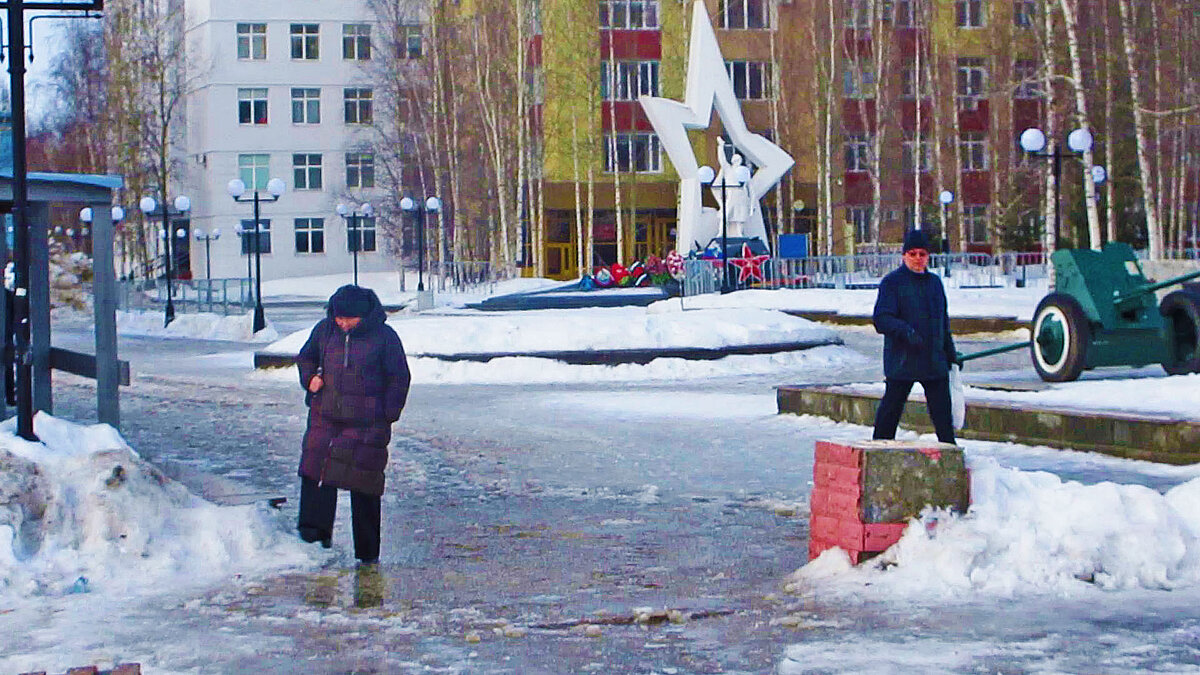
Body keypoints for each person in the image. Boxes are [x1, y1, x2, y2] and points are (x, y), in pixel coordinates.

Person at [295, 284, 411, 564]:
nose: (341, 322)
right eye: (337, 316)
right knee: (316, 476)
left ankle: (367, 555)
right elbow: (306, 356)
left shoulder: (384, 337)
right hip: (325, 420)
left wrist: (386, 414)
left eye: (347, 317)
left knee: (365, 487)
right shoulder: (325, 331)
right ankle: (314, 544)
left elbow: (399, 378)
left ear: (364, 315)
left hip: (367, 425)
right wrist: (309, 378)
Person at [872, 229, 960, 444]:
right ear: (904, 256)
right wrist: (905, 331)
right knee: (891, 409)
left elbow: (943, 321)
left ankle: (949, 451)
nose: (918, 259)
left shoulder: (934, 284)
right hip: (903, 359)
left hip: (933, 360)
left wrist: (950, 352)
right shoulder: (892, 283)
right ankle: (878, 449)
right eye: (912, 254)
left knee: (942, 414)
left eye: (922, 254)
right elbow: (881, 318)